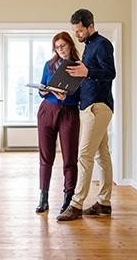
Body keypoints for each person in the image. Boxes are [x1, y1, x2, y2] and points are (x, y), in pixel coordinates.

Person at [57, 9, 116, 221]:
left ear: (90, 26)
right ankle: (104, 203)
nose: (77, 35)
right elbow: (87, 80)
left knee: (84, 156)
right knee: (102, 155)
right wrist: (68, 90)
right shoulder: (88, 47)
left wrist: (87, 72)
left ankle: (76, 204)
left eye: (80, 31)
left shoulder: (102, 44)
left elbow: (111, 73)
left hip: (97, 107)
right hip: (90, 106)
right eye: (75, 31)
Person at [35, 31, 81, 214]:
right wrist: (46, 91)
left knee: (70, 157)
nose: (60, 49)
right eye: (56, 47)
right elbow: (42, 87)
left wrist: (67, 94)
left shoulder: (79, 66)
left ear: (70, 44)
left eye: (62, 46)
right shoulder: (49, 64)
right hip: (47, 110)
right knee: (46, 156)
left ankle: (68, 198)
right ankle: (43, 198)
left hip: (69, 112)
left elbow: (81, 93)